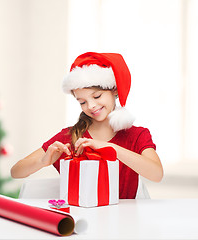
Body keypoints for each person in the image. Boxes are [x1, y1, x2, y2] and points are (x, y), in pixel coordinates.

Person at [11, 52, 163, 199]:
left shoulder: (137, 135)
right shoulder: (70, 137)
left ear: (114, 90)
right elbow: (16, 171)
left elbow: (156, 174)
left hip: (124, 220)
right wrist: (43, 161)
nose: (91, 106)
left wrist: (111, 149)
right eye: (82, 102)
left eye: (97, 96)